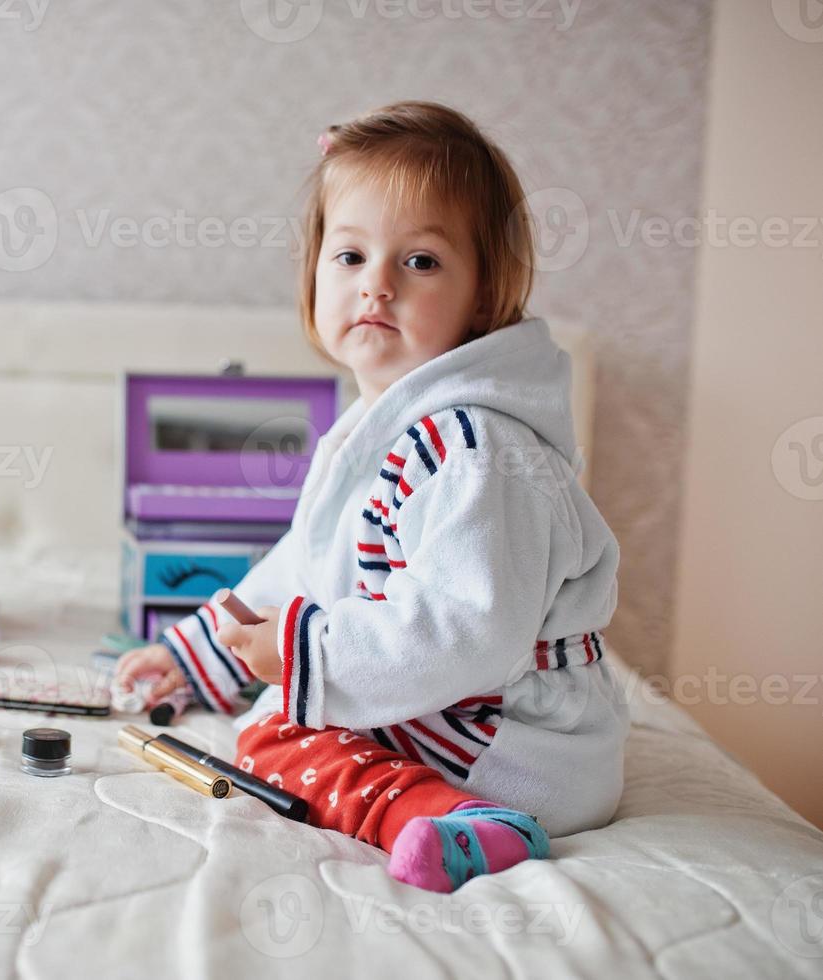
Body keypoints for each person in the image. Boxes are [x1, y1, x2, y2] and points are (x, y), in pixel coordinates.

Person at [114, 102, 627, 893]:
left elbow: (466, 631)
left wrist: (302, 653)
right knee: (274, 714)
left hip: (510, 742)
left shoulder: (476, 450)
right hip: (461, 701)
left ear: (484, 295)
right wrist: (201, 653)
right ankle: (435, 807)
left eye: (419, 262)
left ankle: (454, 821)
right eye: (349, 256)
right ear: (314, 274)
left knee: (276, 735)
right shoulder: (384, 429)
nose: (375, 286)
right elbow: (308, 564)